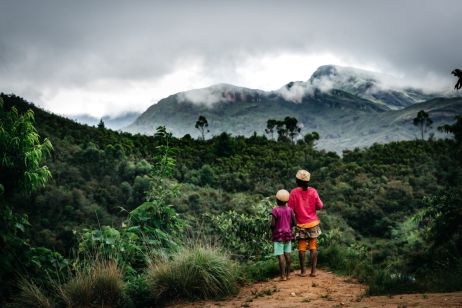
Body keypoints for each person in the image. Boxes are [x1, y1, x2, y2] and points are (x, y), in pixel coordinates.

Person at [288, 169, 323, 277]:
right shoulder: (313, 191)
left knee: (302, 248)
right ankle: (313, 271)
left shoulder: (294, 193)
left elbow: (290, 210)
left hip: (300, 224)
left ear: (297, 181)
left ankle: (303, 271)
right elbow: (320, 206)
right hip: (313, 223)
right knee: (313, 247)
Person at [271, 189, 295, 281]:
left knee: (280, 255)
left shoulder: (275, 210)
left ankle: (282, 276)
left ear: (277, 200)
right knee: (287, 254)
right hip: (288, 235)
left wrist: (272, 229)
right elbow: (294, 223)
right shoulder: (290, 210)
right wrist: (288, 227)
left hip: (278, 236)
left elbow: (273, 224)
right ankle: (288, 274)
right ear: (287, 200)